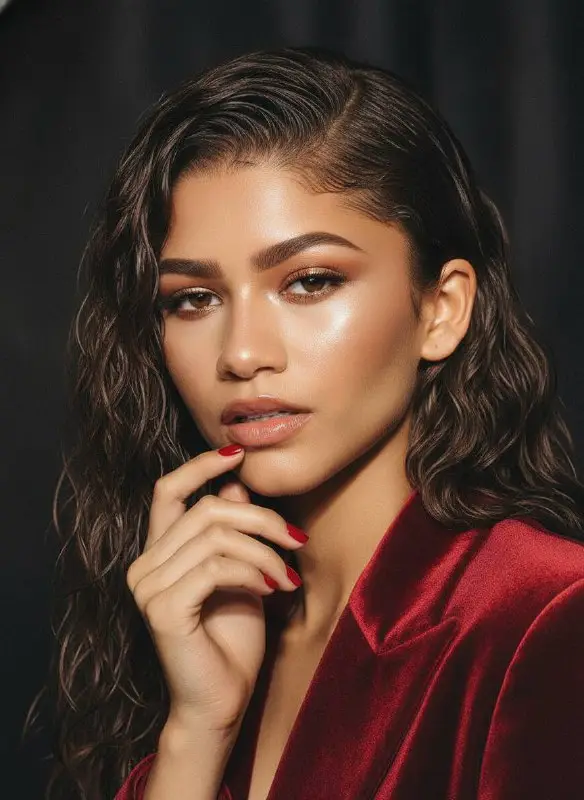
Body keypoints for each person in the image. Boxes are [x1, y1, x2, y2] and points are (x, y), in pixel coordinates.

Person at [28, 46, 584, 799]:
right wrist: (197, 731)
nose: (243, 354)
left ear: (442, 310)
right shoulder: (211, 637)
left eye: (310, 282)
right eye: (193, 299)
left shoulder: (545, 616)